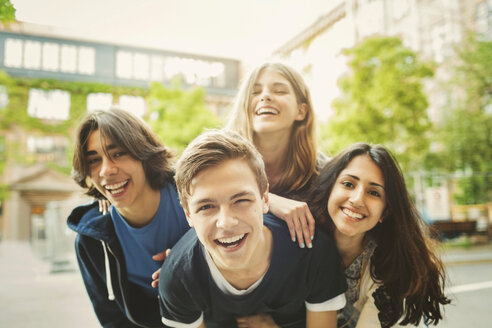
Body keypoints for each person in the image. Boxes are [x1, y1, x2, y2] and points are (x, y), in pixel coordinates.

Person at [158, 130, 347, 328]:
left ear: (265, 198)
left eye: (240, 200)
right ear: (188, 215)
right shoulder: (178, 278)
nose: (226, 222)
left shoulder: (313, 252)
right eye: (206, 207)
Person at [67, 109, 190, 327]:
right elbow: (113, 319)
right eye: (94, 160)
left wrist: (192, 257)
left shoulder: (192, 193)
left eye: (118, 154)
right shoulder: (91, 240)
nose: (106, 170)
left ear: (143, 152)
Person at [309, 143, 450, 327]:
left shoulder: (388, 273)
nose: (357, 199)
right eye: (348, 184)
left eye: (374, 192)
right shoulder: (297, 237)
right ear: (330, 189)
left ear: (385, 212)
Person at [226, 61, 323, 249]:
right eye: (255, 92)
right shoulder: (218, 161)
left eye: (279, 91)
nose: (266, 97)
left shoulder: (323, 174)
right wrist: (268, 201)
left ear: (301, 111)